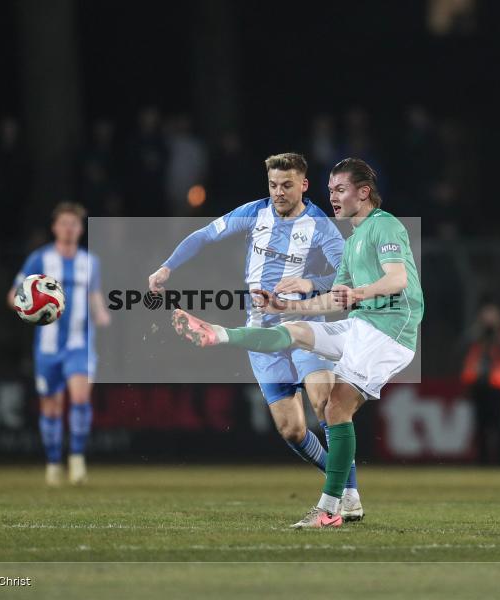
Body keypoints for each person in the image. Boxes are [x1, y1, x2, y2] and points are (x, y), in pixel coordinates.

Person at [171, 158, 423, 528]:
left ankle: (329, 509)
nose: (333, 197)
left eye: (341, 190)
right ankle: (219, 334)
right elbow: (333, 300)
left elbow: (397, 279)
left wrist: (359, 292)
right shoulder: (353, 241)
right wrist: (288, 305)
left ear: (363, 192)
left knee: (334, 407)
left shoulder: (384, 226)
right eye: (332, 190)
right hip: (362, 323)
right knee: (296, 330)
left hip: (389, 331)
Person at [148, 153, 367, 521]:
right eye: (273, 185)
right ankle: (344, 488)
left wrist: (311, 283)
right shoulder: (254, 212)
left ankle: (347, 495)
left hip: (303, 329)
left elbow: (348, 276)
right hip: (261, 333)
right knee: (292, 430)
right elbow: (204, 236)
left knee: (323, 401)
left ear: (304, 185)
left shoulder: (320, 226)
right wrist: (168, 266)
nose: (278, 192)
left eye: (286, 185)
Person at [8, 203, 111, 486]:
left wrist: (101, 312)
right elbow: (12, 295)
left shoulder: (90, 262)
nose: (69, 228)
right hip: (48, 347)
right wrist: (27, 307)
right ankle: (53, 463)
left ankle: (77, 459)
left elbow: (95, 295)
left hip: (80, 343)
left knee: (79, 398)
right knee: (51, 406)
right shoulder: (39, 260)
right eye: (64, 223)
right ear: (54, 227)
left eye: (74, 224)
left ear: (80, 229)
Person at [460, 302, 500, 466]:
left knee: (499, 425)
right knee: (480, 425)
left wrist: (496, 334)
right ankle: (482, 461)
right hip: (479, 385)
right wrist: (478, 331)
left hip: (498, 387)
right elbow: (461, 349)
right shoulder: (475, 336)